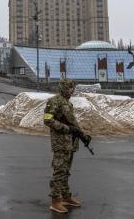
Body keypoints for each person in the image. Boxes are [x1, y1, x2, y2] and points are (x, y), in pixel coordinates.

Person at [44, 79, 92, 214]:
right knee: (59, 171)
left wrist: (83, 135)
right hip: (60, 142)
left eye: (73, 87)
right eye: (70, 87)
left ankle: (65, 196)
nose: (72, 90)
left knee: (66, 171)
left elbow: (73, 124)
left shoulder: (68, 104)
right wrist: (67, 129)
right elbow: (47, 120)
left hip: (70, 143)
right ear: (63, 88)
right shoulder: (54, 101)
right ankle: (55, 200)